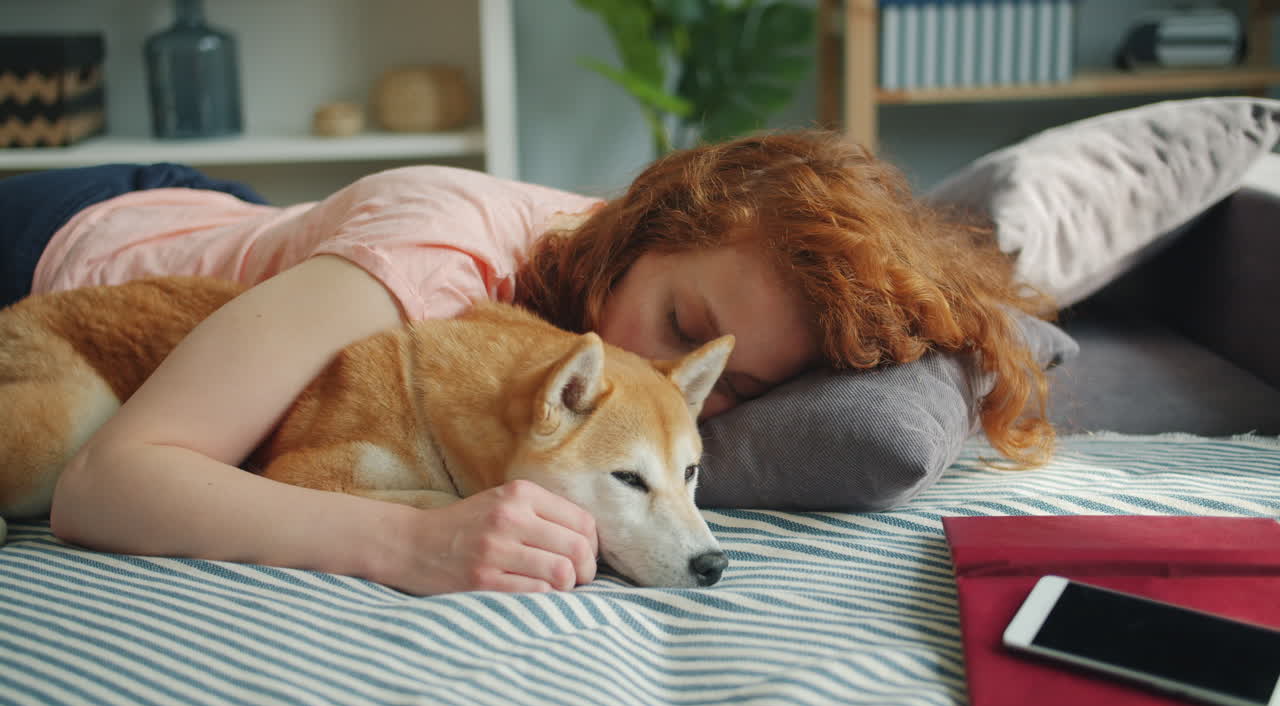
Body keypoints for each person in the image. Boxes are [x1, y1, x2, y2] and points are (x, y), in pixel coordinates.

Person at [0, 130, 1054, 596]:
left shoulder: (599, 328)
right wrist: (408, 546)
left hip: (219, 216)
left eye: (729, 382)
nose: (664, 366)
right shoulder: (425, 262)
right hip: (55, 244)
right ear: (647, 224)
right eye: (681, 317)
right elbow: (109, 481)